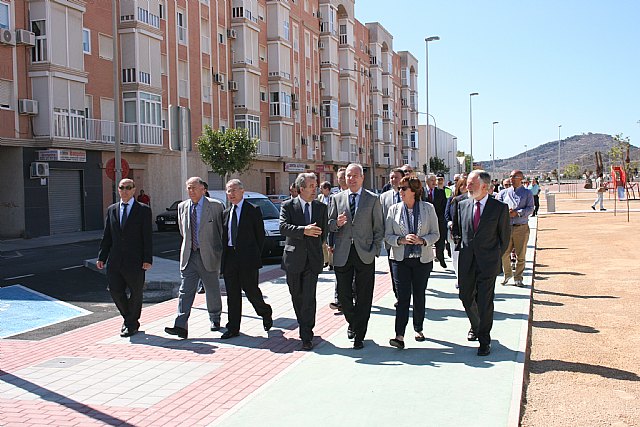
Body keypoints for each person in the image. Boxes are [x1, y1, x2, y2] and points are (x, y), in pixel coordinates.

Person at [453, 170, 510, 356]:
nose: (467, 186)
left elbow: (505, 239)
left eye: (472, 184)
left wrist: (493, 257)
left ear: (484, 186)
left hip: (488, 263)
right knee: (465, 297)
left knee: (485, 302)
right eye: (468, 183)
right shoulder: (461, 205)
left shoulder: (499, 208)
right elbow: (459, 232)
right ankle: (476, 325)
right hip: (466, 261)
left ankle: (484, 339)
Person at [328, 163, 384, 349]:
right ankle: (352, 321)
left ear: (362, 178)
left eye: (355, 176)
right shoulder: (337, 198)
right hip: (343, 253)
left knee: (364, 295)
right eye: (348, 176)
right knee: (344, 296)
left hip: (364, 253)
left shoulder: (372, 199)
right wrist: (336, 223)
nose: (351, 179)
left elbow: (378, 227)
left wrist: (376, 249)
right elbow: (329, 224)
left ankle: (360, 333)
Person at [164, 177, 224, 340]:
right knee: (185, 291)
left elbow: (220, 232)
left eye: (194, 188)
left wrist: (219, 254)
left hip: (209, 255)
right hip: (190, 255)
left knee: (212, 289)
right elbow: (183, 232)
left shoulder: (215, 206)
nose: (191, 191)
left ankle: (215, 318)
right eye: (188, 188)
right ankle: (180, 325)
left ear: (203, 189)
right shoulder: (182, 207)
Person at [385, 176, 439, 349]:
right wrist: (400, 240)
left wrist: (422, 240)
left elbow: (436, 234)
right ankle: (399, 335)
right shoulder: (393, 209)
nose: (400, 191)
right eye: (399, 188)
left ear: (414, 191)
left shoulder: (428, 209)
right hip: (400, 260)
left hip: (422, 260)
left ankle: (418, 327)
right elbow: (387, 236)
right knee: (402, 298)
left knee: (419, 295)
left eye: (403, 188)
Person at [97, 178, 153, 338]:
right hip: (115, 260)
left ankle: (130, 323)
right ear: (118, 190)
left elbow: (147, 236)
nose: (125, 190)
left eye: (129, 187)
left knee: (136, 292)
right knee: (115, 291)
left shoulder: (143, 210)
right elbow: (107, 235)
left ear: (134, 189)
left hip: (135, 260)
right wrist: (102, 256)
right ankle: (129, 319)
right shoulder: (112, 209)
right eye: (122, 187)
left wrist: (147, 259)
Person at [280, 173, 328, 351]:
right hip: (293, 259)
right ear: (301, 189)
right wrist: (303, 230)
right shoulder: (288, 206)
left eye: (316, 186)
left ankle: (306, 334)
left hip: (313, 260)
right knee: (296, 296)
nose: (315, 189)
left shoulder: (321, 207)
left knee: (309, 298)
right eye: (311, 186)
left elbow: (323, 233)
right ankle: (303, 324)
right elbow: (283, 227)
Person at [220, 179, 273, 339]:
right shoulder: (225, 213)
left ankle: (265, 312)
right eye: (228, 191)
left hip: (247, 259)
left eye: (234, 190)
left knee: (251, 291)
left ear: (242, 191)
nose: (231, 194)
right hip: (230, 258)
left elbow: (260, 236)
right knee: (232, 294)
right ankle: (233, 327)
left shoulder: (253, 210)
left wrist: (254, 255)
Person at [496, 170, 535, 287]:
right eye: (510, 177)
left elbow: (530, 208)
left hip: (521, 227)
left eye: (514, 177)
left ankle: (518, 277)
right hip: (506, 228)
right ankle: (507, 274)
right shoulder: (503, 193)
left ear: (520, 178)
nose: (511, 179)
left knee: (520, 254)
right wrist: (504, 213)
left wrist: (517, 213)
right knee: (504, 253)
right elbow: (497, 206)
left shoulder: (527, 193)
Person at [379, 168, 406, 302]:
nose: (393, 180)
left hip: (406, 239)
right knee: (393, 268)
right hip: (390, 239)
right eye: (391, 178)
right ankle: (398, 295)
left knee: (406, 267)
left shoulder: (408, 194)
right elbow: (381, 216)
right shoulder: (384, 197)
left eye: (396, 177)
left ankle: (406, 292)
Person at [328, 167, 348, 310]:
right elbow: (330, 221)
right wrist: (330, 242)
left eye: (343, 177)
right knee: (339, 272)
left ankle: (350, 297)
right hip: (339, 242)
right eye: (339, 178)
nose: (341, 180)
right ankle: (338, 299)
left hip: (354, 244)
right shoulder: (334, 197)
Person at [444, 178, 469, 288]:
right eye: (461, 185)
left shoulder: (471, 200)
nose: (464, 187)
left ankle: (466, 277)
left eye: (466, 184)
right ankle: (459, 278)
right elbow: (447, 214)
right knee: (456, 257)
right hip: (454, 233)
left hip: (467, 233)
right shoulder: (452, 199)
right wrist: (450, 223)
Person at [424, 174, 448, 269]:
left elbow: (444, 207)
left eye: (435, 180)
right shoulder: (421, 192)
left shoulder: (441, 192)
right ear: (426, 181)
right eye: (432, 180)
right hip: (425, 221)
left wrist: (443, 219)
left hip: (439, 220)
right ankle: (428, 262)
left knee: (440, 241)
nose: (434, 182)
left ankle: (440, 257)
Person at [317, 181, 333, 268]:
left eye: (321, 188)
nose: (320, 189)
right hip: (322, 223)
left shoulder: (333, 197)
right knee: (323, 243)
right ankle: (325, 261)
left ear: (327, 189)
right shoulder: (320, 197)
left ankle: (331, 263)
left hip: (330, 223)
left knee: (330, 244)